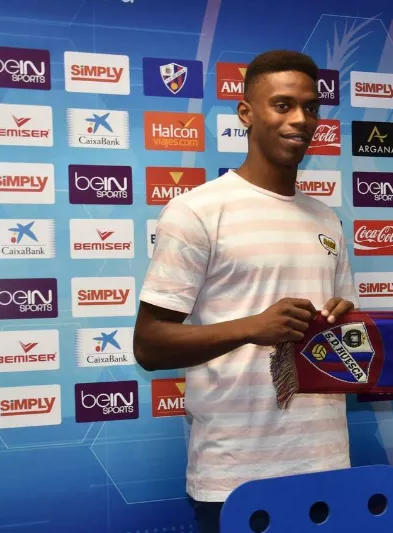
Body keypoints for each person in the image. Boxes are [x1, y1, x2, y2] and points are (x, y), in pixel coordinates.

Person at [133, 50, 358, 533]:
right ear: (246, 112)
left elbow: (343, 326)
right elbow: (149, 344)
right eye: (282, 105)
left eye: (311, 107)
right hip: (235, 475)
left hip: (326, 462)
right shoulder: (197, 211)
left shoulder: (327, 220)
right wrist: (253, 328)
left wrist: (344, 317)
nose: (300, 119)